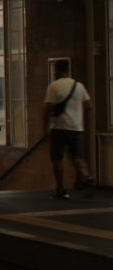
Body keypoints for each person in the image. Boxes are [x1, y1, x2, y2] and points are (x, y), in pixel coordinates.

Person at [43, 60, 94, 199]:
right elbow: (89, 106)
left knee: (57, 158)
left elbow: (47, 109)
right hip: (77, 127)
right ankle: (86, 176)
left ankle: (60, 189)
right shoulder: (79, 86)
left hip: (59, 127)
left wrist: (45, 128)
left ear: (57, 70)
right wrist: (78, 115)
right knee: (78, 156)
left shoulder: (53, 86)